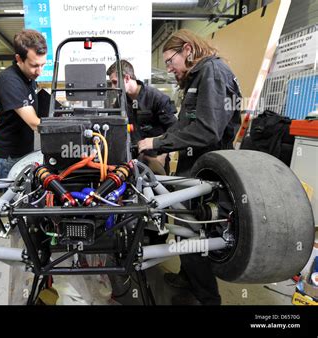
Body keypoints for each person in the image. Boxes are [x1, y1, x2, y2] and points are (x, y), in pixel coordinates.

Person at [138, 29, 242, 305]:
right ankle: (188, 277)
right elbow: (187, 125)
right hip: (192, 164)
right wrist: (159, 145)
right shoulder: (198, 75)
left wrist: (159, 142)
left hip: (208, 168)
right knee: (185, 223)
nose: (169, 69)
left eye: (170, 61)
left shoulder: (213, 73)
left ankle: (207, 297)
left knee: (196, 229)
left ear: (187, 49)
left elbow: (208, 130)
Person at [107, 60, 177, 175]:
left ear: (127, 78)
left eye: (115, 82)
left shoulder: (156, 98)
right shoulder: (120, 102)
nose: (113, 87)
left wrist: (163, 155)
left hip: (156, 158)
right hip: (132, 160)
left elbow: (174, 129)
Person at [0, 29, 47, 178]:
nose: (39, 71)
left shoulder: (29, 78)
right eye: (34, 65)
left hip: (25, 151)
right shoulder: (9, 80)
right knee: (14, 201)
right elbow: (33, 123)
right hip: (10, 158)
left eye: (43, 65)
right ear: (19, 59)